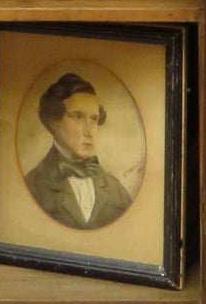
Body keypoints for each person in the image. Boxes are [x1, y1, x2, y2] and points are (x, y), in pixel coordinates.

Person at [23, 70, 133, 230]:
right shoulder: (32, 187)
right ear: (53, 121)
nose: (89, 131)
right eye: (78, 117)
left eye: (94, 119)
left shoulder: (116, 191)